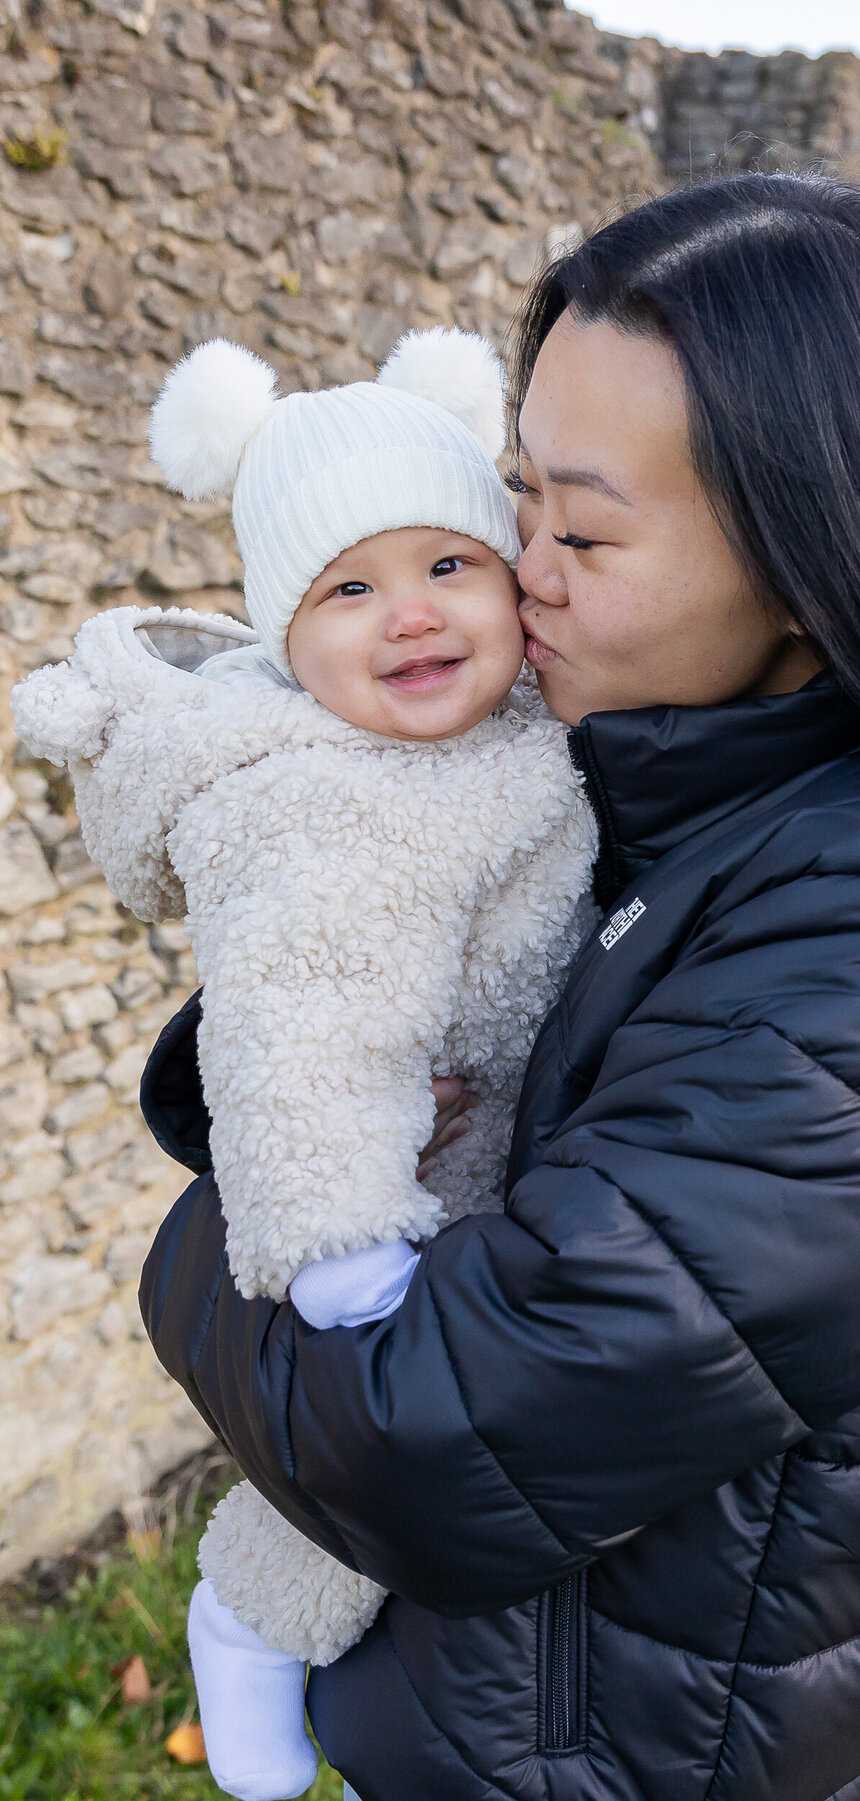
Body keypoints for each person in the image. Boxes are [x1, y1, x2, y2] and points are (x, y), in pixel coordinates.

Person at [138, 173, 860, 1801]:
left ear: (815, 561)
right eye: (517, 494)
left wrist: (206, 1231)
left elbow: (419, 1439)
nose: (513, 566)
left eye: (584, 530)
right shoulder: (680, 798)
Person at [13, 329, 594, 1801]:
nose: (407, 614)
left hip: (486, 1160)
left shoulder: (509, 731)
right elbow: (299, 1031)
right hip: (389, 1209)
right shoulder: (327, 806)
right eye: (348, 588)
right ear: (287, 635)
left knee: (381, 1513)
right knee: (348, 1517)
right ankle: (243, 1633)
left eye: (448, 565)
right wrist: (343, 1243)